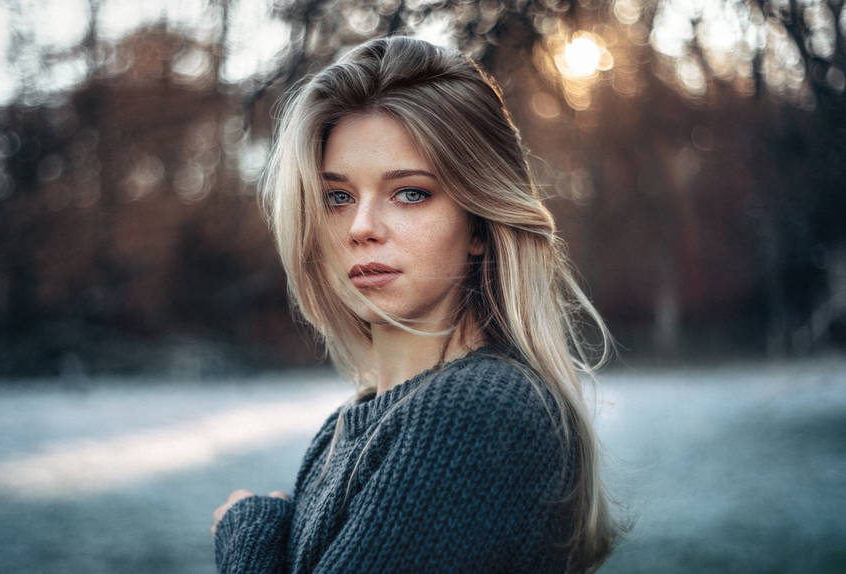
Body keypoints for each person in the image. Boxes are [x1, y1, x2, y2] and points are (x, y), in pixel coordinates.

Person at [212, 36, 619, 573]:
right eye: (338, 197)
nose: (361, 228)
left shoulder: (479, 411)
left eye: (410, 193)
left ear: (480, 224)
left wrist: (249, 538)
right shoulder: (345, 428)